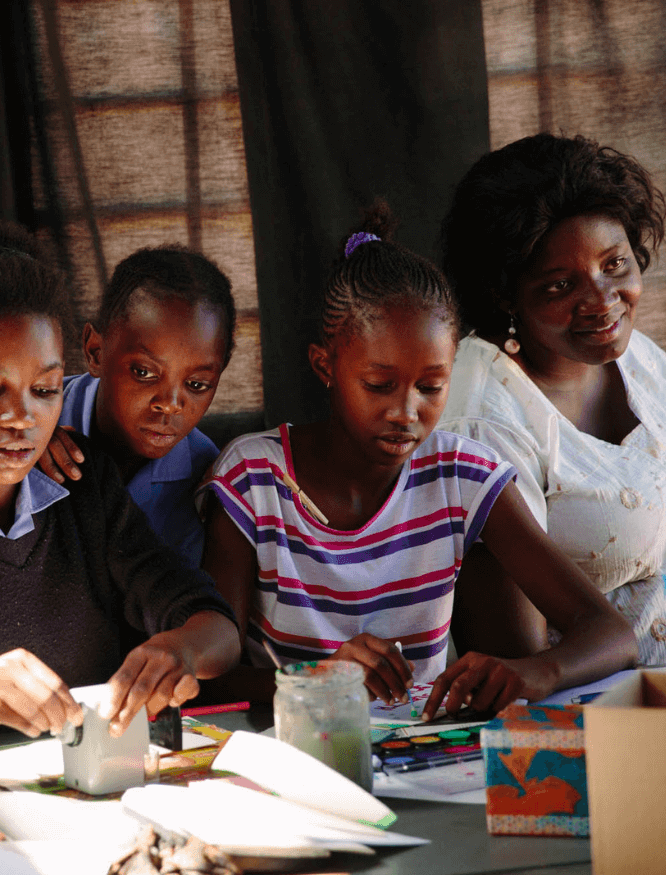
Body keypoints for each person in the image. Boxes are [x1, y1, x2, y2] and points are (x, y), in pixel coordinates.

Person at [199, 202, 637, 719]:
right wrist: (321, 681)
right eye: (379, 386)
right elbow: (209, 678)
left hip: (428, 756)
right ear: (326, 365)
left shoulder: (462, 477)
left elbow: (611, 634)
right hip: (296, 758)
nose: (406, 413)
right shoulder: (254, 480)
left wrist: (534, 671)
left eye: (432, 386)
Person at [0, 219, 240, 741]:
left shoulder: (85, 491)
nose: (22, 417)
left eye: (46, 389)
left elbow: (216, 627)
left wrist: (181, 650)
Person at [439, 132, 666, 665]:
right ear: (504, 294)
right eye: (560, 286)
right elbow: (516, 667)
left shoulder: (643, 362)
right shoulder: (482, 420)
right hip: (593, 719)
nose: (603, 302)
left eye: (614, 265)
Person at [39, 246, 235, 572]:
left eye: (197, 384)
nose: (170, 404)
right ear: (96, 352)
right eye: (144, 372)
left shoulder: (207, 481)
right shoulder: (30, 418)